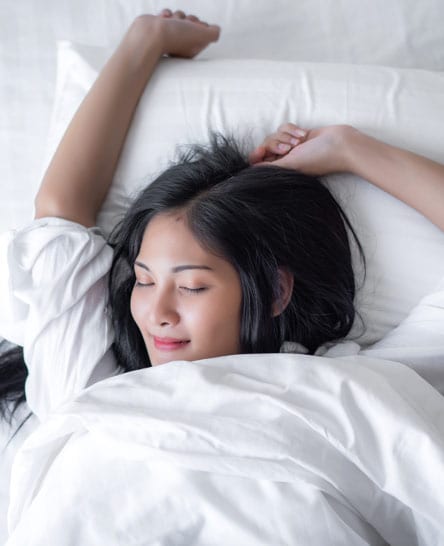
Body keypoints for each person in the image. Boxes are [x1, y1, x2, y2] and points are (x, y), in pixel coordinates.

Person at [1, 9, 444, 427]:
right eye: (144, 280)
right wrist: (144, 42)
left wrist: (352, 149)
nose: (157, 313)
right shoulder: (89, 396)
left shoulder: (345, 386)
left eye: (191, 286)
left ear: (274, 290)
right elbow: (60, 214)